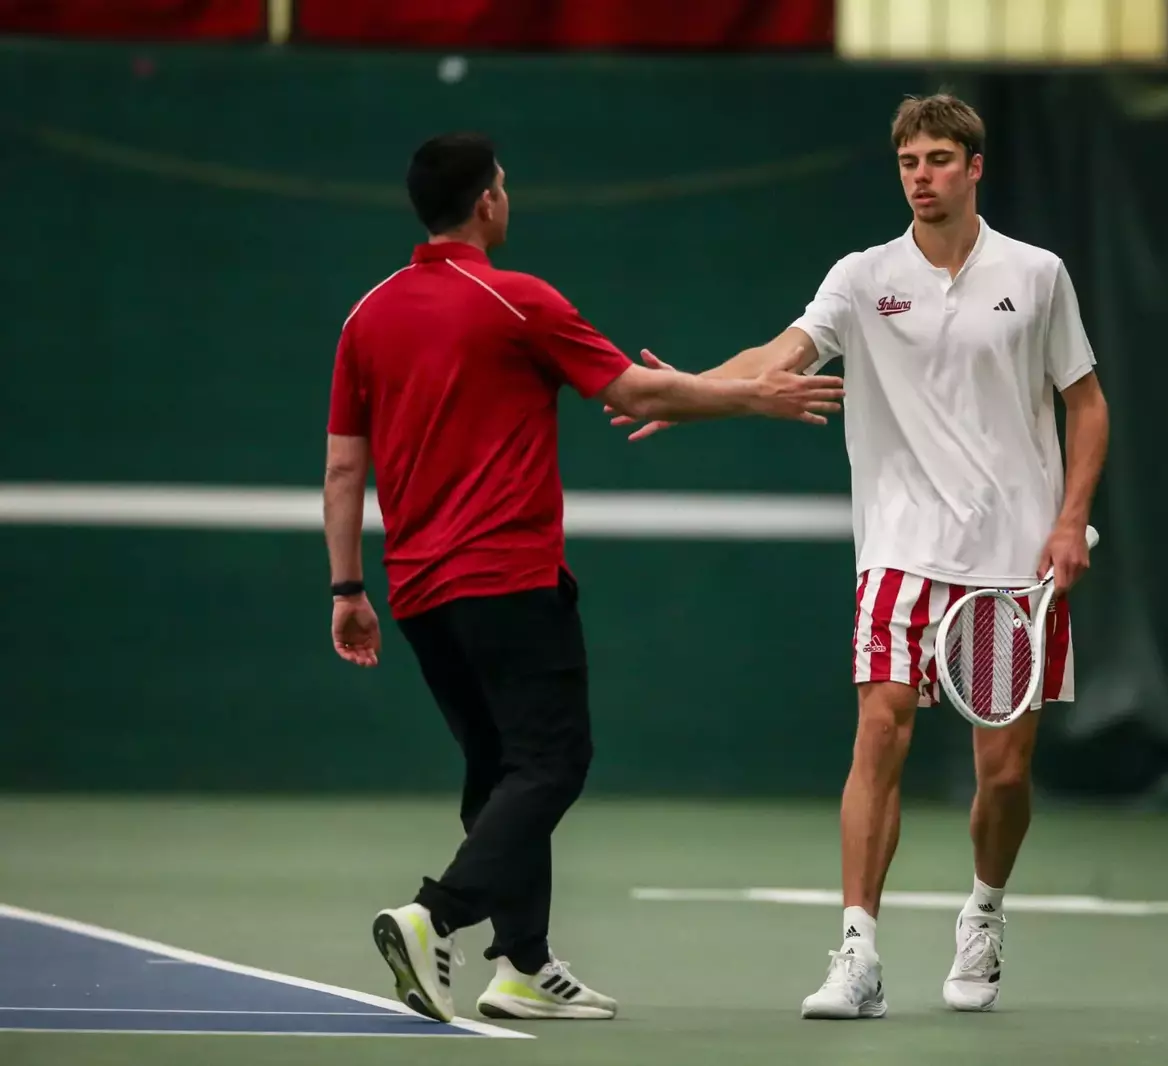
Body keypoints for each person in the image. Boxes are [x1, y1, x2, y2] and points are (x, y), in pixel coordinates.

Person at [321, 132, 844, 1026]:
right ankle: (432, 915)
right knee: (554, 762)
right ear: (487, 202)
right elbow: (630, 394)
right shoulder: (517, 300)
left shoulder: (366, 315)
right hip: (510, 581)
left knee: (499, 770)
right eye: (505, 185)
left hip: (415, 596)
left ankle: (522, 966)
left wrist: (347, 591)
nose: (507, 197)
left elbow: (341, 469)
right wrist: (753, 395)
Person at [610, 94, 1110, 1017]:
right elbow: (779, 354)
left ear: (974, 167)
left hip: (1011, 565)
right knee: (879, 731)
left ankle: (986, 912)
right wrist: (677, 391)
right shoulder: (862, 275)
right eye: (908, 162)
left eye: (938, 160)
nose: (921, 176)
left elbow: (1085, 404)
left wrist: (1069, 519)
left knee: (1003, 772)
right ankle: (858, 953)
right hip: (900, 550)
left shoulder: (1036, 276)